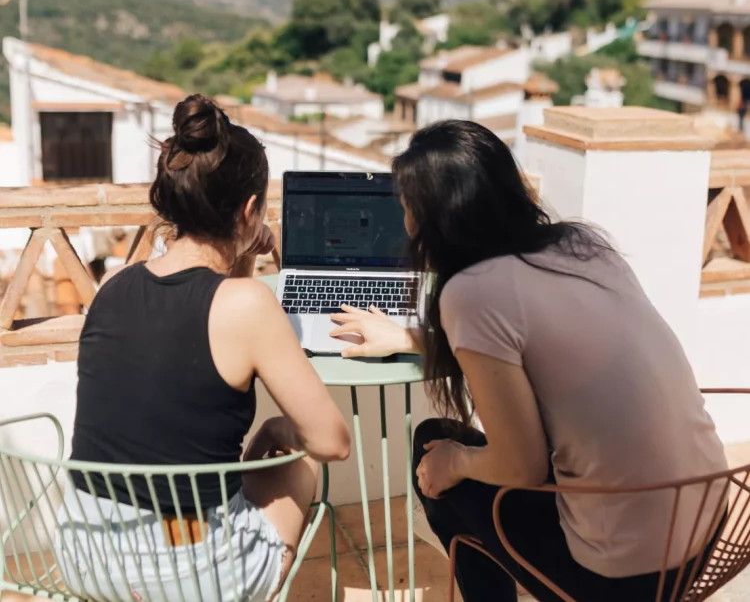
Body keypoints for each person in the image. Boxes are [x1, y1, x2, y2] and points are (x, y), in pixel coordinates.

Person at [330, 119, 727, 601]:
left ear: (434, 218)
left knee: (435, 445)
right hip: (709, 530)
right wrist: (412, 337)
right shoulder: (583, 245)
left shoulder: (470, 292)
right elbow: (538, 344)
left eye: (408, 207)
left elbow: (520, 466)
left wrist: (455, 462)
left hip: (626, 579)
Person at [56, 95, 350, 602]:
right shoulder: (249, 307)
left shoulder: (113, 286)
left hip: (88, 556)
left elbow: (206, 313)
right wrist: (280, 429)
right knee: (301, 455)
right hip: (187, 573)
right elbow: (332, 443)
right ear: (250, 209)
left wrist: (243, 255)